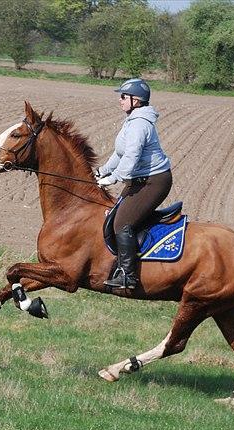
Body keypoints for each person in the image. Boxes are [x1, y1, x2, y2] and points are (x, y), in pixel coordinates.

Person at [95, 78, 173, 289]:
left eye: (123, 96)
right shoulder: (132, 119)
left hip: (154, 182)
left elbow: (132, 156)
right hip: (139, 180)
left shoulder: (139, 124)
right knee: (113, 218)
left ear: (136, 100)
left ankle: (128, 276)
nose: (119, 100)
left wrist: (114, 178)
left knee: (122, 223)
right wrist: (102, 171)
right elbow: (120, 152)